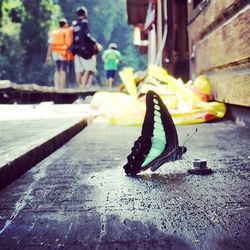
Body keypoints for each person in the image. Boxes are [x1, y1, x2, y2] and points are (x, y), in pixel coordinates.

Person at [70, 6, 102, 89]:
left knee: (78, 69)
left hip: (75, 49)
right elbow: (86, 35)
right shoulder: (84, 22)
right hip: (84, 50)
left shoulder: (74, 24)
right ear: (85, 14)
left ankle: (79, 87)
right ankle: (83, 87)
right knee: (88, 68)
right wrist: (95, 43)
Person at [46, 18, 73, 89]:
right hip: (63, 52)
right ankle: (62, 87)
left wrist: (48, 56)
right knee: (63, 69)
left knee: (57, 69)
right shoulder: (66, 32)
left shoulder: (54, 33)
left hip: (55, 52)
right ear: (65, 24)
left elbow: (50, 45)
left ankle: (56, 86)